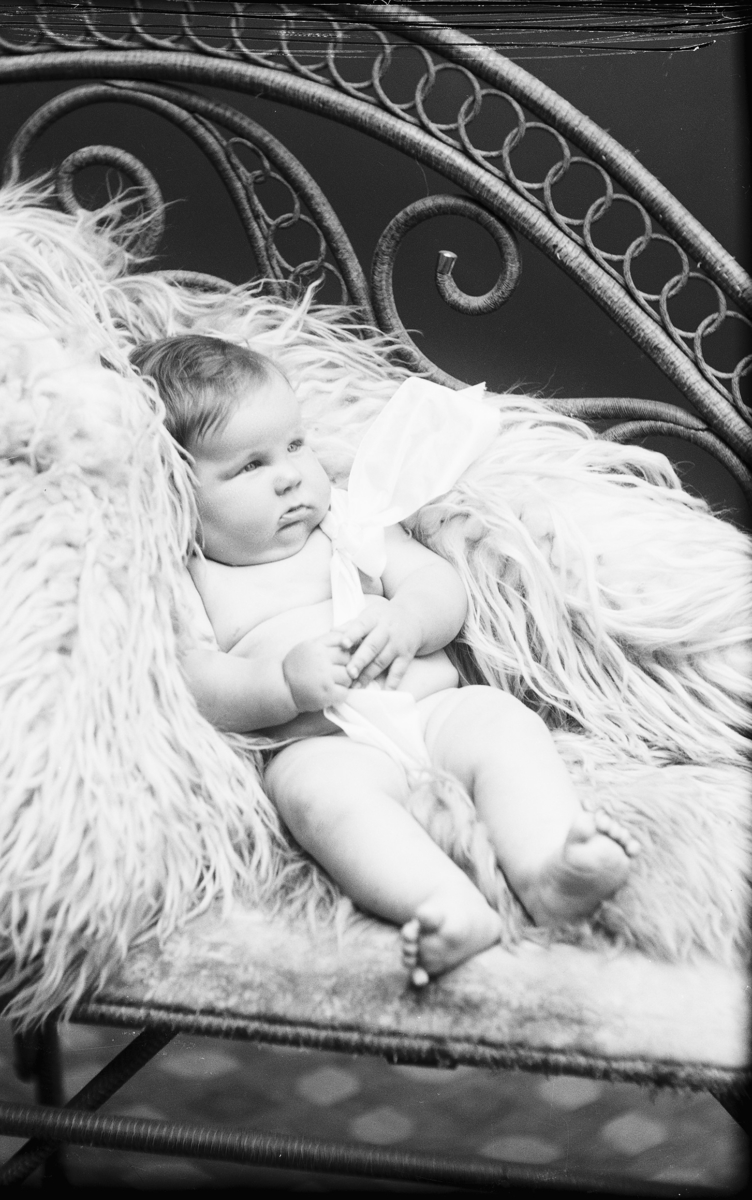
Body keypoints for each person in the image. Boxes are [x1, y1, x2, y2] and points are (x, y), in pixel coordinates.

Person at [131, 334, 640, 986]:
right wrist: (281, 683)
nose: (290, 475)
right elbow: (196, 682)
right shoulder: (191, 575)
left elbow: (438, 586)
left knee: (502, 723)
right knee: (314, 798)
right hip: (324, 742)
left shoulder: (345, 520)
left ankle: (549, 869)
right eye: (249, 466)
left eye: (295, 445)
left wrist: (407, 621)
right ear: (177, 490)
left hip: (430, 708)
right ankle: (445, 904)